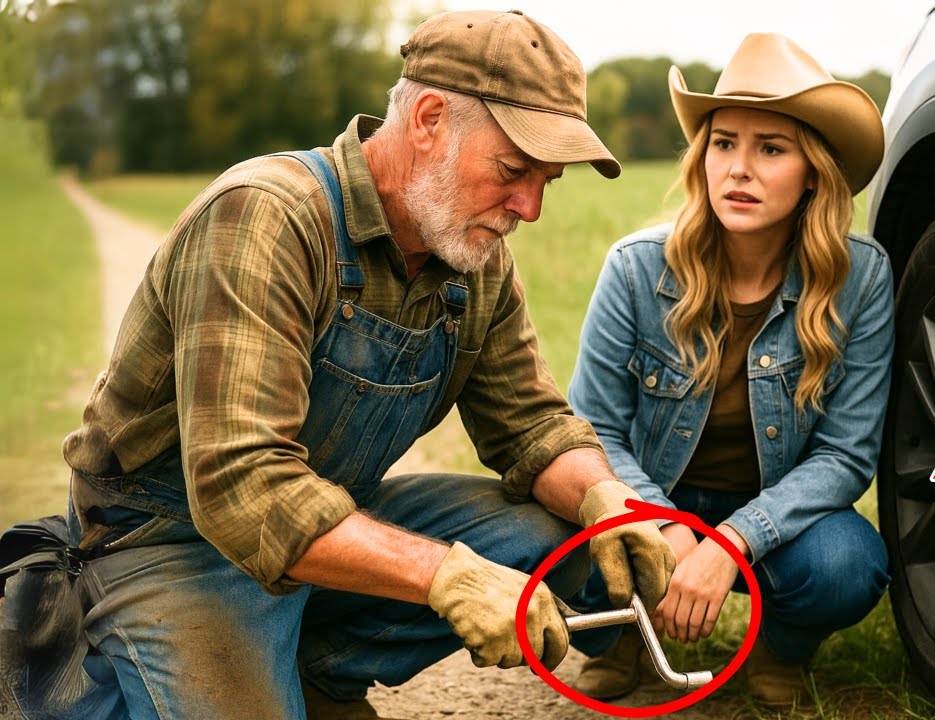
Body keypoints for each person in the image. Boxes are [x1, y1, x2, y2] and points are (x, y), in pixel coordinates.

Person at [1, 10, 675, 720]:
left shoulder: (474, 261)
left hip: (328, 530)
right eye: (512, 171)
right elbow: (243, 486)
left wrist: (606, 500)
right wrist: (444, 576)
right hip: (175, 543)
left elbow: (530, 424)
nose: (530, 208)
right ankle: (115, 651)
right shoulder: (265, 217)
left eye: (548, 180)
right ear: (429, 119)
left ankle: (315, 670)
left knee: (555, 532)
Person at [566, 33, 893, 708]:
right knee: (549, 530)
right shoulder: (635, 268)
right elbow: (593, 430)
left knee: (847, 566)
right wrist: (663, 525)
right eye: (723, 143)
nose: (738, 168)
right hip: (655, 498)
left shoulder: (862, 280)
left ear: (813, 170)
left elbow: (845, 455)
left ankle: (780, 647)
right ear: (702, 156)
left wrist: (733, 542)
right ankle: (620, 636)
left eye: (770, 148)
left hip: (776, 519)